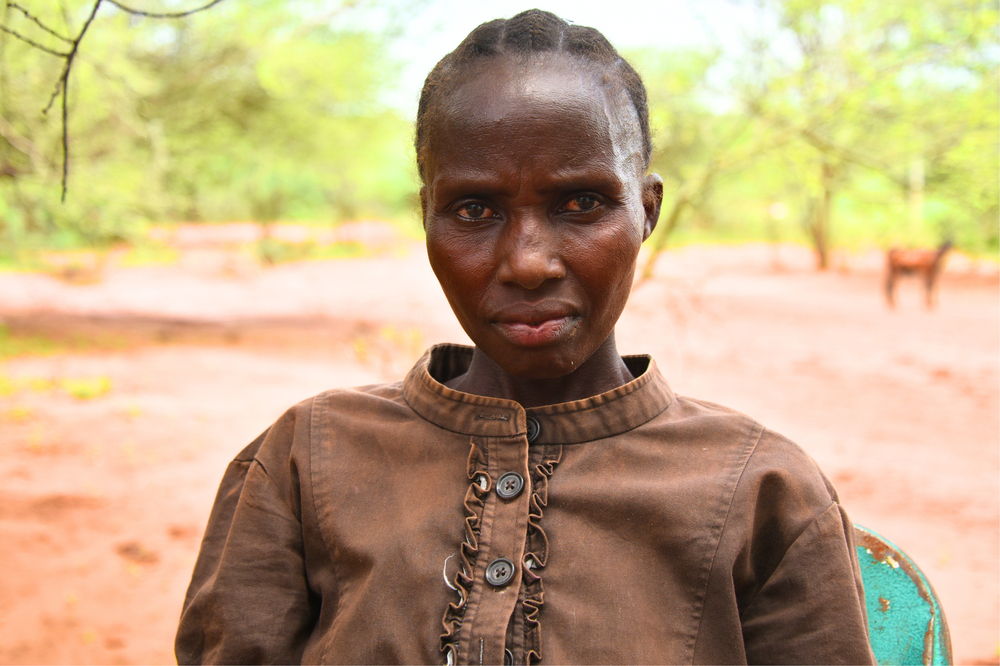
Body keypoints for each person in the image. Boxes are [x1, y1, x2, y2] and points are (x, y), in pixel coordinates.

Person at [176, 9, 876, 665]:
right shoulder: (308, 458)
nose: (528, 262)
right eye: (475, 209)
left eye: (582, 203)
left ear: (647, 210)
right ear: (428, 218)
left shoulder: (762, 492)